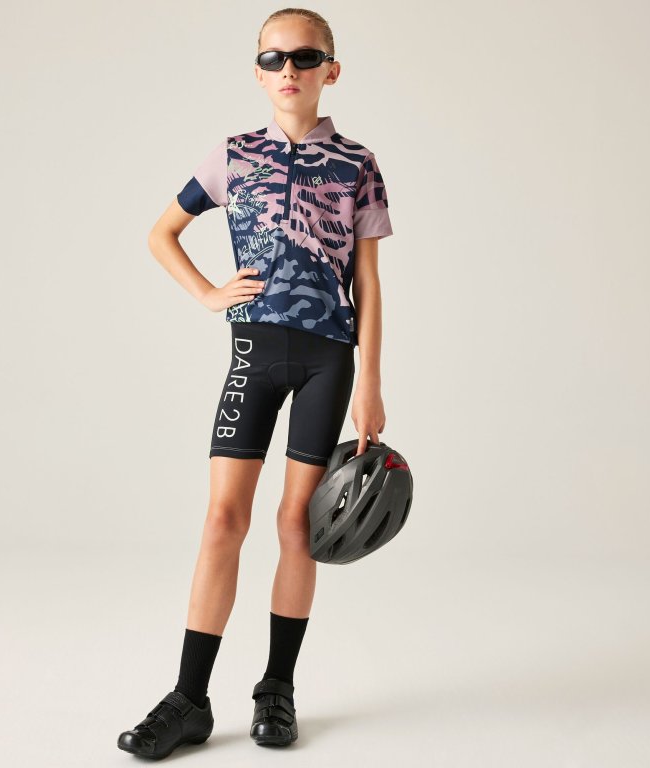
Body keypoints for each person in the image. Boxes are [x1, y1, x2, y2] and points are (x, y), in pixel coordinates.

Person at [117, 7, 393, 759]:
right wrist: (210, 294)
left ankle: (277, 688)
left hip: (329, 359)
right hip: (255, 355)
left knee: (297, 525)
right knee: (222, 521)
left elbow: (368, 281)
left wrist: (370, 380)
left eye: (304, 57)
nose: (288, 70)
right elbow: (161, 233)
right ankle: (189, 699)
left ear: (331, 69)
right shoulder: (233, 156)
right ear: (258, 72)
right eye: (273, 59)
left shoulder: (358, 164)